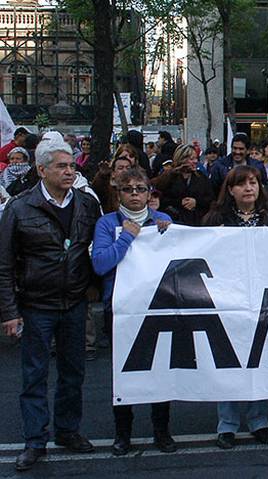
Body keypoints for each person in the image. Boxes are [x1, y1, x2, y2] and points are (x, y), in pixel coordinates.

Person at [0, 139, 101, 471]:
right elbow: (4, 264)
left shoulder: (86, 204)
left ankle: (68, 431)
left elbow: (98, 245)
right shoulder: (19, 207)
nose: (69, 171)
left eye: (72, 165)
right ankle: (34, 441)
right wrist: (10, 312)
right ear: (41, 170)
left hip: (74, 302)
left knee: (73, 373)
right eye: (62, 166)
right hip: (36, 305)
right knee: (34, 375)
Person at [91, 168, 176, 455]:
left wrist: (167, 231)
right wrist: (126, 237)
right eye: (129, 190)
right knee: (124, 372)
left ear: (150, 193)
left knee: (160, 370)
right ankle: (122, 433)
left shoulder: (163, 221)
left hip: (157, 307)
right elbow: (101, 263)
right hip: (121, 308)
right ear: (119, 194)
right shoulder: (107, 223)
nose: (136, 194)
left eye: (141, 189)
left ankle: (161, 431)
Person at [202, 165, 268, 449]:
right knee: (230, 360)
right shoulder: (215, 219)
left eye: (254, 182)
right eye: (242, 183)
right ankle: (228, 424)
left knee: (259, 359)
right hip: (228, 298)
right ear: (230, 189)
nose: (249, 188)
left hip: (262, 298)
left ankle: (259, 420)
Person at [152, 143, 214, 225]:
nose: (195, 161)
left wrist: (196, 202)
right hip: (174, 221)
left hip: (196, 222)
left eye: (196, 158)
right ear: (181, 159)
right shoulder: (169, 177)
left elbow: (210, 198)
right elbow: (160, 197)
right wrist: (179, 202)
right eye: (191, 159)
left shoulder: (201, 177)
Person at [92, 145, 140, 214]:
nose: (124, 170)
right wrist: (102, 175)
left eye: (128, 168)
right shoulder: (106, 181)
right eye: (121, 168)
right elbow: (98, 190)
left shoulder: (140, 179)